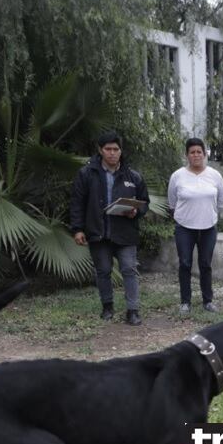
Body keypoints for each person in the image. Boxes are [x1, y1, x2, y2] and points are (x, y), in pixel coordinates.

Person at [70, 132, 150, 325]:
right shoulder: (87, 173)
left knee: (129, 269)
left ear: (121, 151)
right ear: (100, 150)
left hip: (125, 232)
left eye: (116, 149)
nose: (112, 153)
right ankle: (107, 307)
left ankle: (133, 310)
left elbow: (144, 203)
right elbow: (77, 203)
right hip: (98, 232)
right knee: (103, 271)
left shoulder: (133, 176)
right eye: (108, 149)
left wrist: (135, 212)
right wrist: (77, 229)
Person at [167, 138, 223, 314]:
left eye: (199, 151)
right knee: (185, 263)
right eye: (192, 152)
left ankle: (208, 301)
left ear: (205, 154)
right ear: (186, 155)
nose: (196, 155)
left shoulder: (215, 175)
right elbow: (172, 202)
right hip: (184, 227)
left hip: (208, 227)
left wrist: (210, 216)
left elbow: (221, 201)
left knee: (205, 264)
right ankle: (185, 301)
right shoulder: (177, 176)